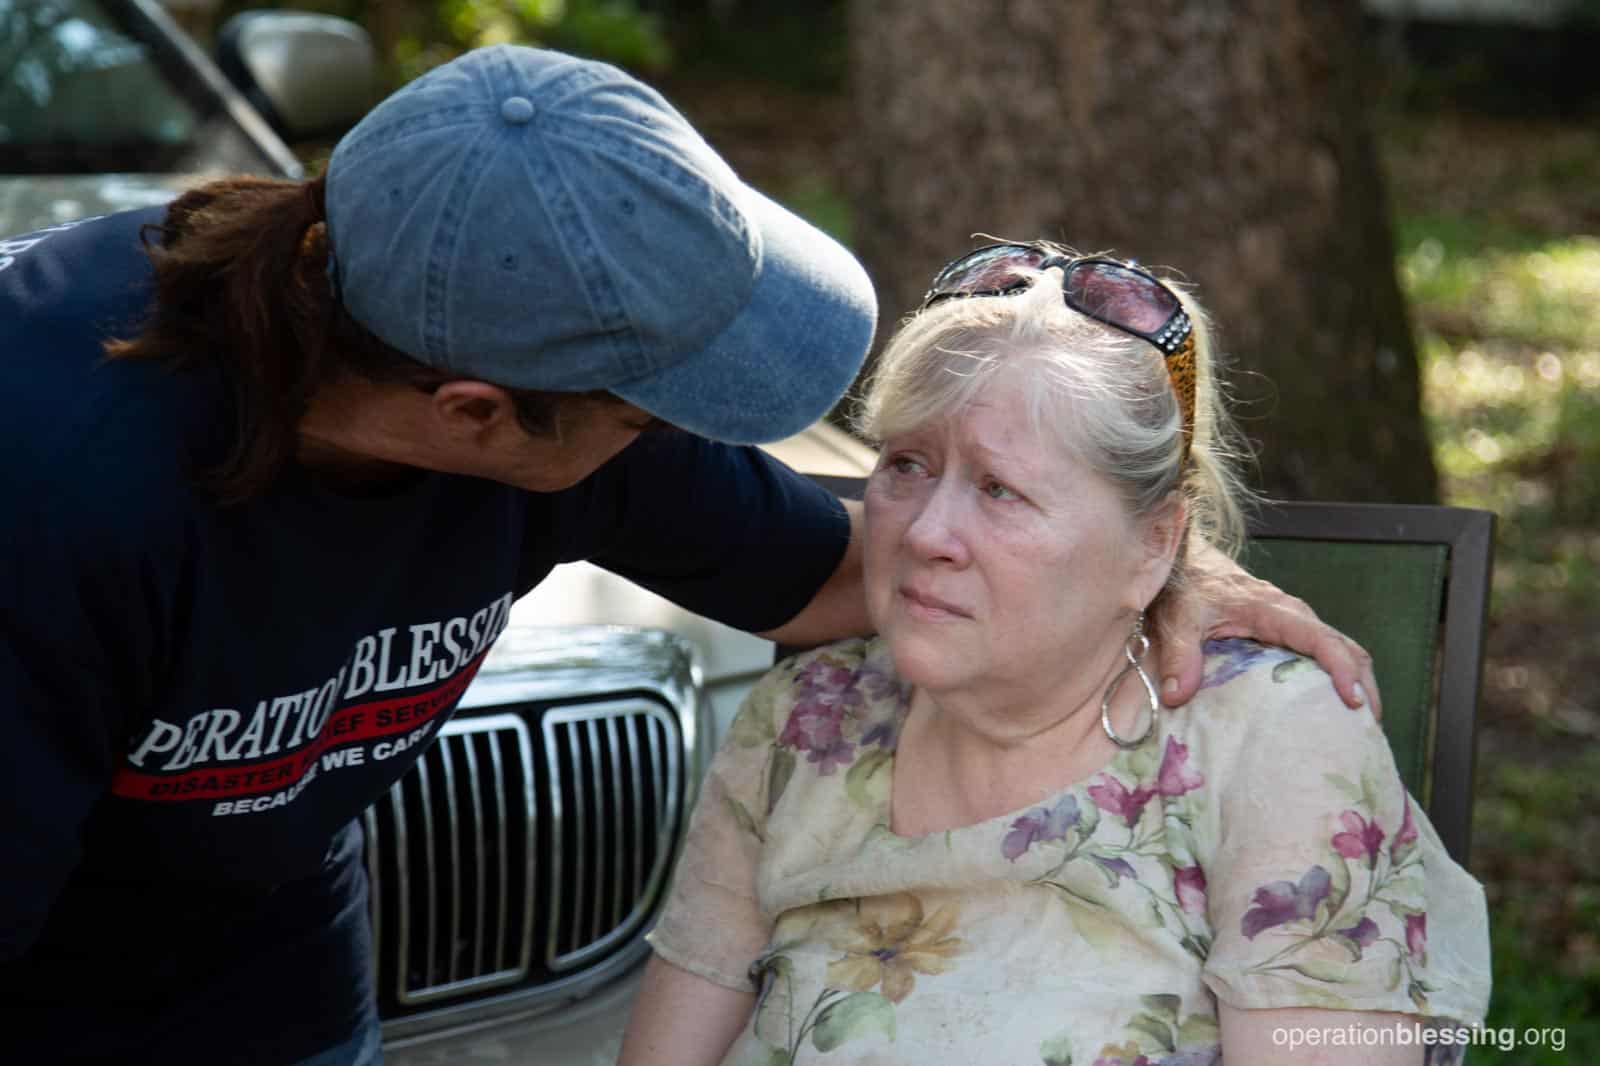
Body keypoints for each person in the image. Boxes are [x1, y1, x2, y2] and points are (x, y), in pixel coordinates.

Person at [0, 41, 1370, 1065]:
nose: (680, 440)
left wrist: (1142, 578)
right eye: (658, 407)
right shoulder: (56, 482)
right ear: (472, 413)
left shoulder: (509, 354)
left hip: (266, 943)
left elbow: (836, 577)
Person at [619, 242, 1491, 1066]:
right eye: (907, 466)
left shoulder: (1271, 740)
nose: (927, 533)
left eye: (1000, 490)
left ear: (1153, 547)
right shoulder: (804, 723)